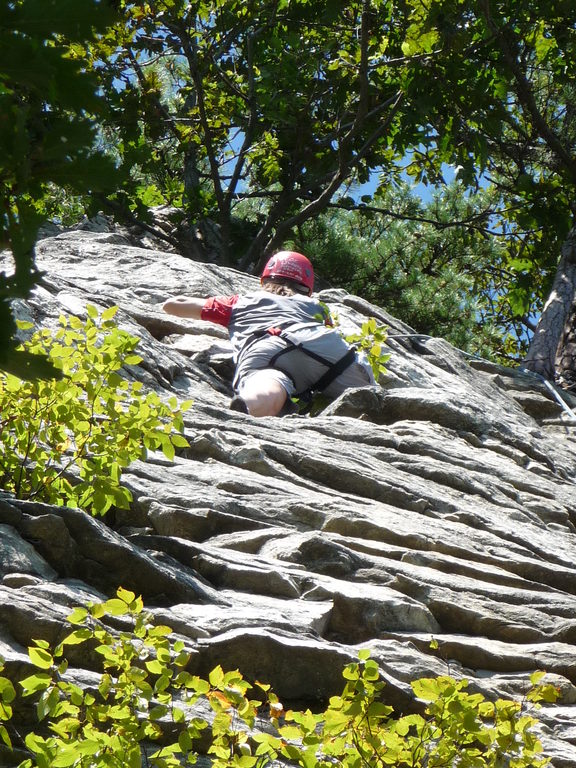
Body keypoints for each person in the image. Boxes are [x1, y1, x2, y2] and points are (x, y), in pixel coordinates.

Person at [162, 250, 374, 416]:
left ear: (265, 279)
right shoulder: (316, 306)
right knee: (371, 396)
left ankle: (249, 406)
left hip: (263, 349)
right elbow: (329, 331)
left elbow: (173, 305)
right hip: (318, 343)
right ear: (307, 286)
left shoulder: (239, 302)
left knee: (269, 383)